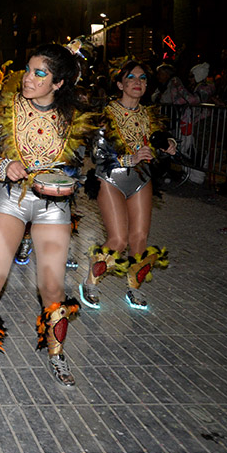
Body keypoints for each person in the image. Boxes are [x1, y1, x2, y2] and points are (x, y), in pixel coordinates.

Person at [0, 42, 95, 388]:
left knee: (51, 286)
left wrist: (68, 182)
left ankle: (57, 355)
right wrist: (3, 165)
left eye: (38, 73)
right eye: (28, 70)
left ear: (58, 83)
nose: (27, 78)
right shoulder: (7, 108)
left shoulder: (74, 118)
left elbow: (81, 166)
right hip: (12, 198)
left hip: (52, 206)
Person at [81, 60, 174, 310]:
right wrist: (128, 159)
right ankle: (90, 283)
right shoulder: (106, 114)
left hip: (141, 179)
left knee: (139, 238)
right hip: (111, 178)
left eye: (143, 78)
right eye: (131, 77)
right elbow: (97, 154)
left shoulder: (149, 116)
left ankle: (133, 289)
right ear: (120, 84)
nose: (137, 82)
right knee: (119, 240)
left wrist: (167, 148)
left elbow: (156, 153)